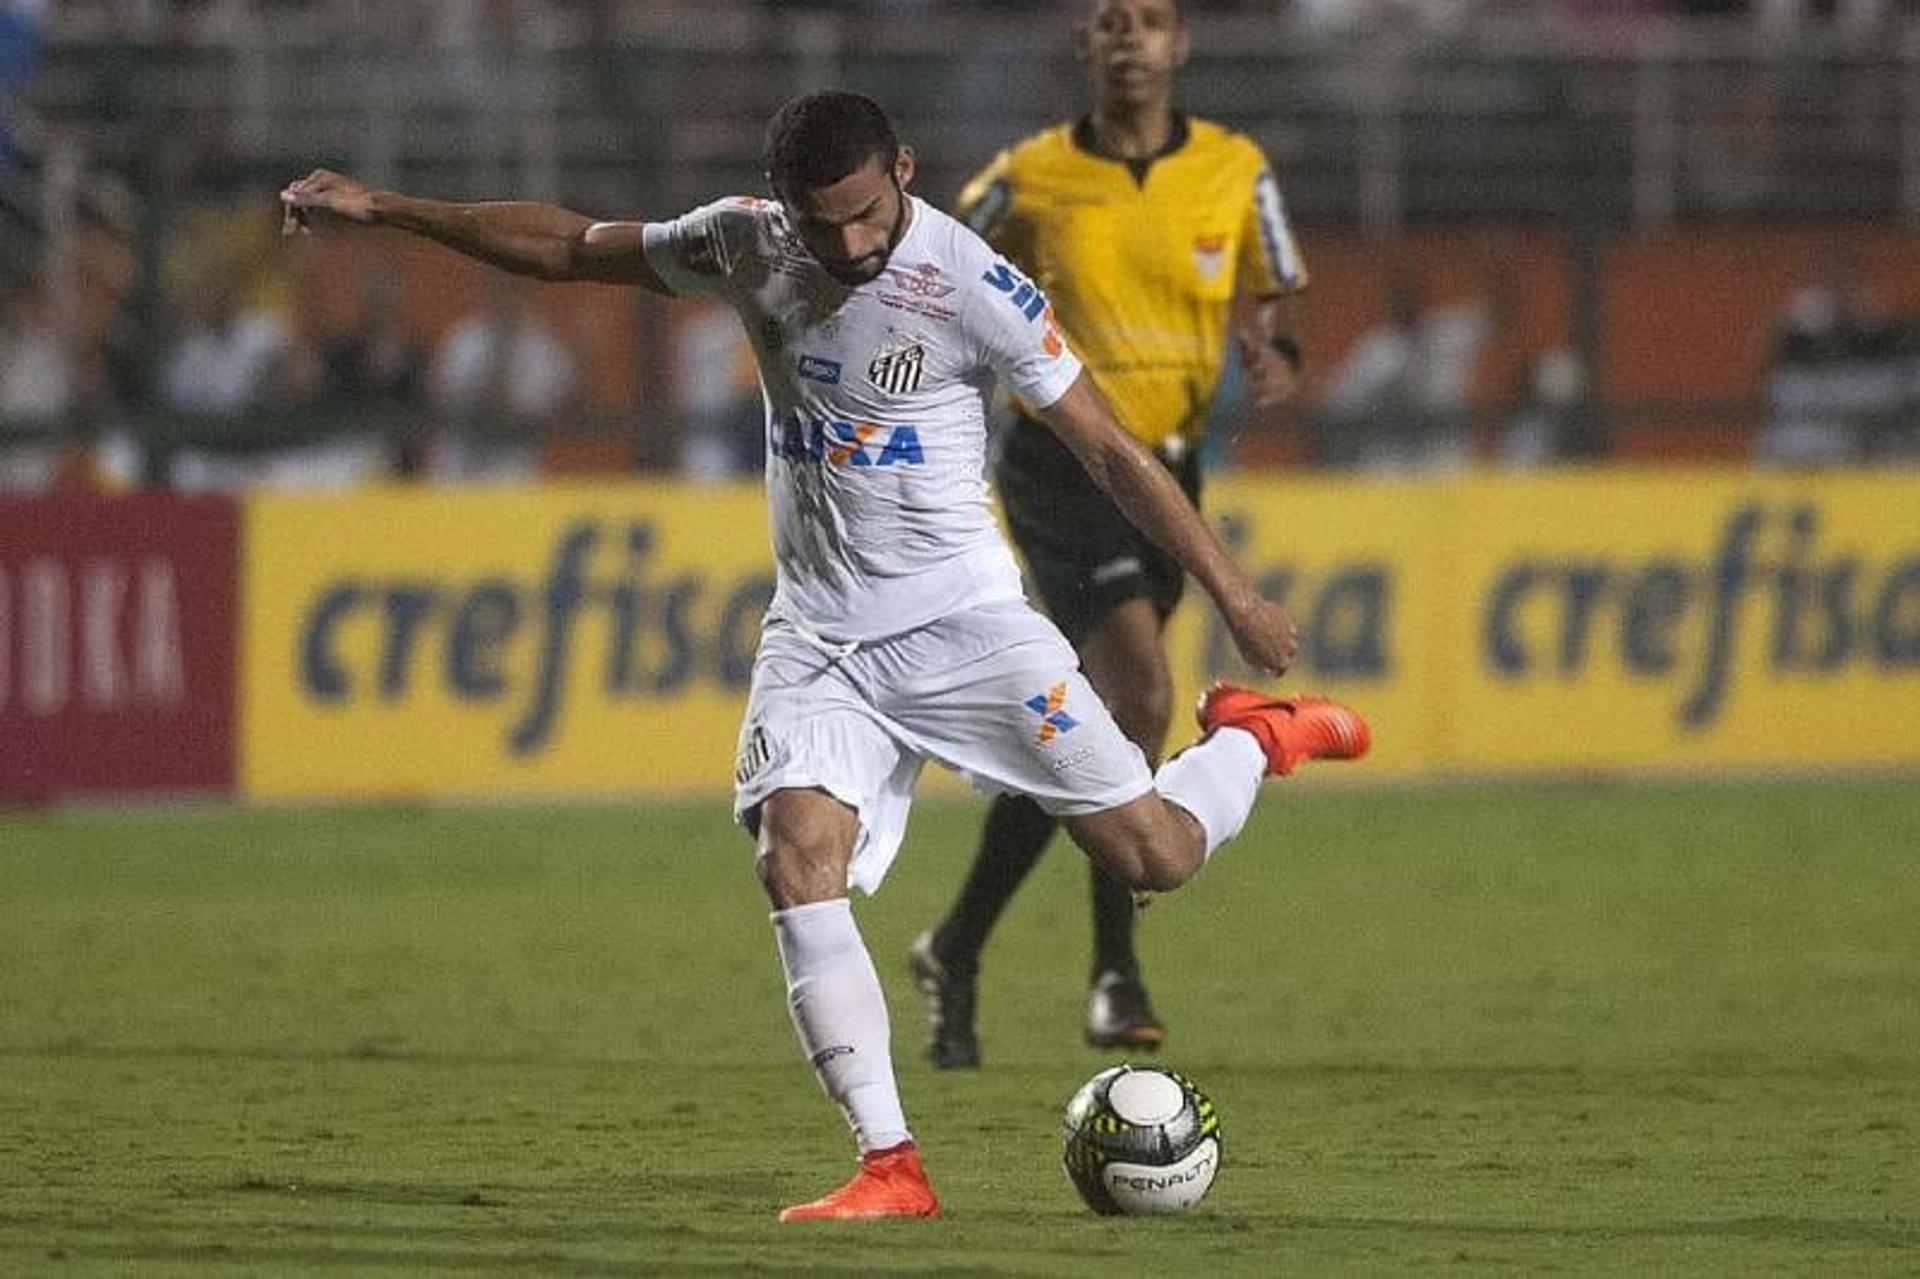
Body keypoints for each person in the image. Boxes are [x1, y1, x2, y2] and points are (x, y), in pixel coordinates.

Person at [281, 89, 1369, 1224]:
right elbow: (570, 246)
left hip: (966, 627)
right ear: (784, 204)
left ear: (902, 170)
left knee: (1156, 856)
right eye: (821, 223)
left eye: (865, 216)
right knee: (794, 855)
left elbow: (1106, 448)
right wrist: (387, 206)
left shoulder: (973, 285)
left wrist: (1233, 589)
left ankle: (1249, 733)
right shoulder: (748, 242)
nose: (847, 246)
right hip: (819, 635)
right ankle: (891, 1163)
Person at [911, 0, 1311, 1070]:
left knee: (1095, 727)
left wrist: (1273, 352)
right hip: (1061, 459)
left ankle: (958, 945)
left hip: (1168, 469)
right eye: (1108, 21)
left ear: (1181, 44)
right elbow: (927, 260)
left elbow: (1265, 297)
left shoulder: (1236, 169)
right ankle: (1113, 971)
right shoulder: (1027, 176)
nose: (1129, 37)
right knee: (1135, 690)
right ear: (1085, 48)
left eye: (1149, 20)